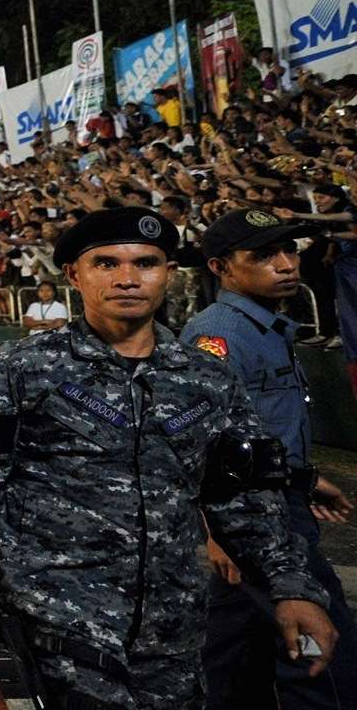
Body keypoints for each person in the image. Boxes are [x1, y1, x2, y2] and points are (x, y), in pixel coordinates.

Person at [0, 207, 337, 708]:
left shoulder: (208, 377)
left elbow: (240, 495)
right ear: (74, 275)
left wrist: (291, 586)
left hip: (170, 609)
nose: (128, 279)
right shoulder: (21, 367)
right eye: (106, 264)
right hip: (55, 600)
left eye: (146, 263)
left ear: (168, 274)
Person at [182, 209, 357, 708]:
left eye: (288, 250)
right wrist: (218, 533)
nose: (284, 264)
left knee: (235, 648)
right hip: (260, 517)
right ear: (221, 268)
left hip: (279, 498)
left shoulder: (263, 324)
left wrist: (306, 477)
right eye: (262, 255)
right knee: (324, 650)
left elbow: (263, 427)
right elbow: (201, 441)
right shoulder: (219, 337)